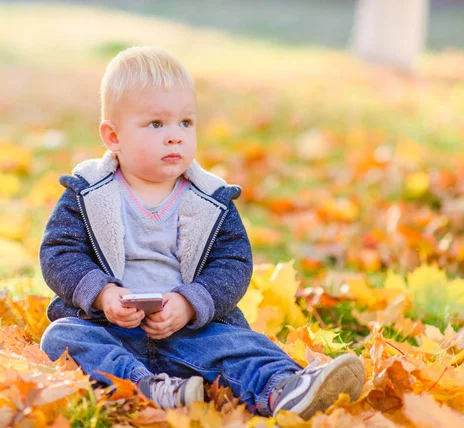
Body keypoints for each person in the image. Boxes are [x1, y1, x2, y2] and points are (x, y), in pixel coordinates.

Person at [39, 46, 365, 419]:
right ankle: (151, 388)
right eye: (156, 125)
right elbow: (58, 252)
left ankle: (286, 388)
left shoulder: (210, 201)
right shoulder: (88, 193)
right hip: (112, 331)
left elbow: (233, 264)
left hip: (189, 333)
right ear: (113, 136)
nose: (175, 136)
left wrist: (189, 303)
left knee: (243, 345)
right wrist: (102, 295)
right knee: (63, 338)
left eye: (186, 123)